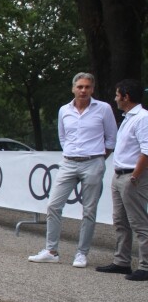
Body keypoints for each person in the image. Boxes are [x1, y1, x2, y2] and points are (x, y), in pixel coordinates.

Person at [28, 72, 117, 268]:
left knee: (89, 210)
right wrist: (71, 152)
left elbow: (111, 138)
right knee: (53, 205)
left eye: (87, 87)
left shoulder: (103, 109)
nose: (83, 90)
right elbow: (63, 136)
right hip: (68, 162)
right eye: (80, 87)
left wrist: (99, 158)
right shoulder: (64, 110)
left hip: (93, 162)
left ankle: (82, 253)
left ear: (92, 89)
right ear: (73, 89)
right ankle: (51, 251)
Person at [95, 79, 148, 281]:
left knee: (139, 222)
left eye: (118, 95)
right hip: (120, 175)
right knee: (120, 221)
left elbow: (146, 150)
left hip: (132, 176)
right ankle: (121, 261)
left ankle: (145, 265)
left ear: (126, 97)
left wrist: (135, 176)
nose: (115, 98)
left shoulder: (142, 118)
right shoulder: (128, 118)